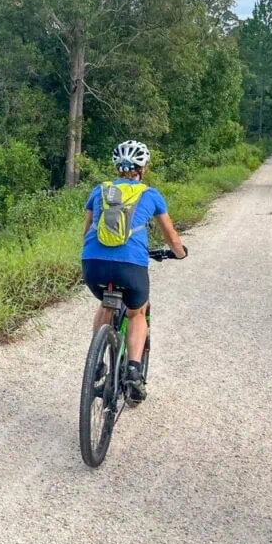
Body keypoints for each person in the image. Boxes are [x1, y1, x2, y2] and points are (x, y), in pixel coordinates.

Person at [82, 140, 187, 401]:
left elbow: (86, 232)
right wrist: (180, 253)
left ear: (117, 168)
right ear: (143, 168)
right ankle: (133, 370)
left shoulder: (100, 191)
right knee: (137, 311)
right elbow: (172, 237)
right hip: (130, 267)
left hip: (93, 263)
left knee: (106, 305)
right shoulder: (150, 195)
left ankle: (96, 361)